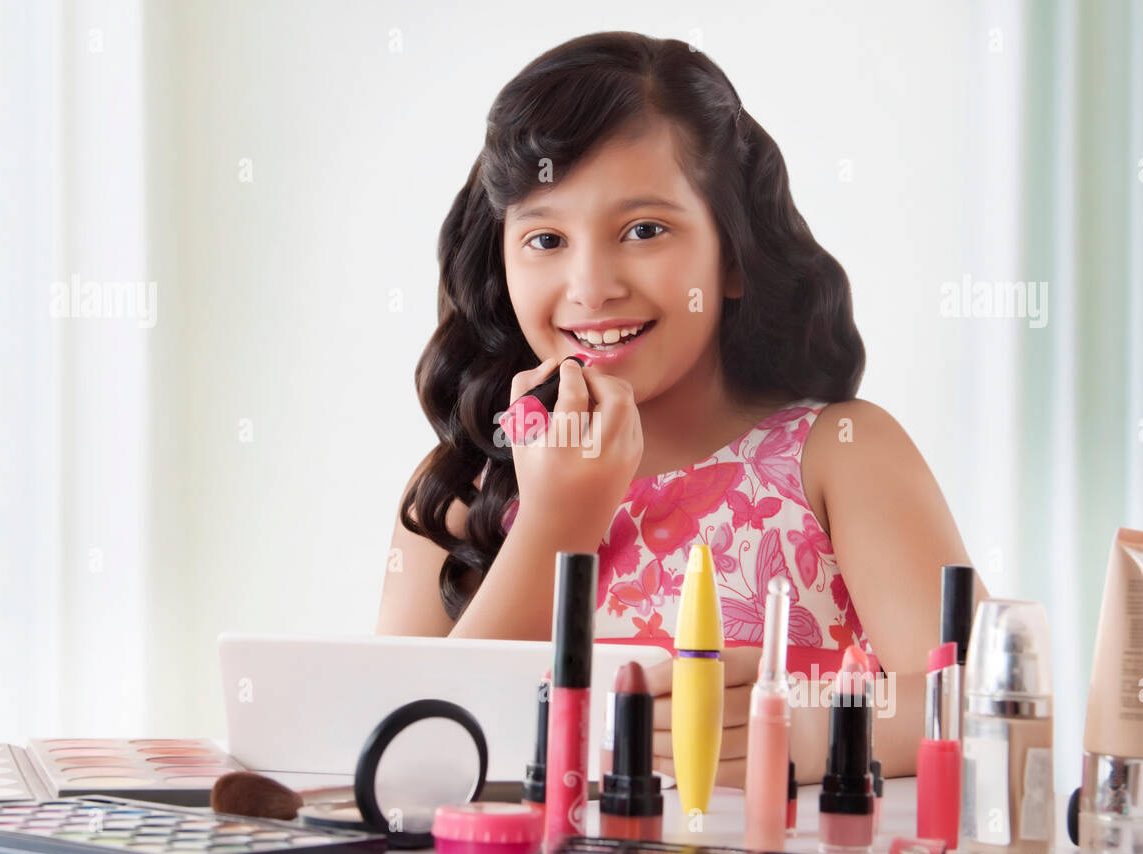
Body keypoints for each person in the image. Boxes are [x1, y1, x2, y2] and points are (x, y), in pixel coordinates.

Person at [376, 31, 987, 789]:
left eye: (643, 230)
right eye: (545, 238)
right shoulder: (459, 494)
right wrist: (559, 519)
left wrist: (776, 729)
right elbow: (410, 756)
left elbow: (982, 710)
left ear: (732, 255)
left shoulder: (841, 453)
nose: (591, 286)